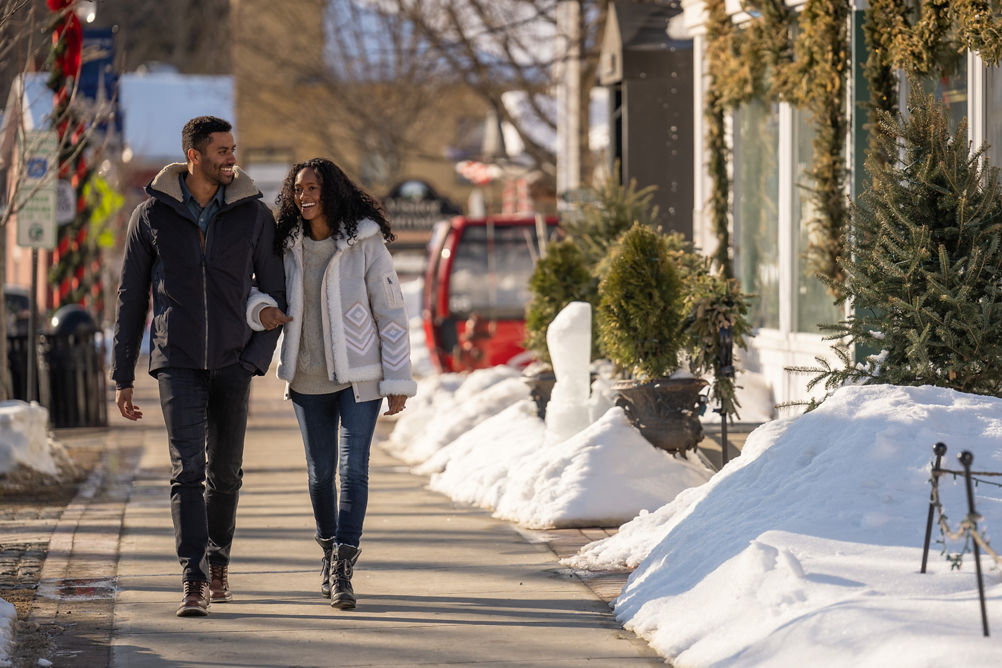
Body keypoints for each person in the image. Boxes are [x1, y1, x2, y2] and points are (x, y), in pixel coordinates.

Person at [111, 116, 286, 617]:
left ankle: (219, 556)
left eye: (233, 149)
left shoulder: (254, 217)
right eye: (222, 151)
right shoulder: (151, 216)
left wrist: (254, 359)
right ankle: (193, 576)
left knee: (225, 474)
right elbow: (131, 299)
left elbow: (276, 295)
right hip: (178, 360)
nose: (232, 157)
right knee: (188, 469)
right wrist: (124, 374)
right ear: (194, 156)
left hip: (234, 360)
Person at [246, 158, 416, 610]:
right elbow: (259, 290)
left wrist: (397, 377)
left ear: (332, 192)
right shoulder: (287, 244)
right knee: (321, 476)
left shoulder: (363, 241)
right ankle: (328, 550)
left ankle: (343, 564)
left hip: (360, 378)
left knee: (352, 469)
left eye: (314, 188)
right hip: (306, 376)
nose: (305, 196)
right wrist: (262, 309)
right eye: (299, 188)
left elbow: (391, 311)